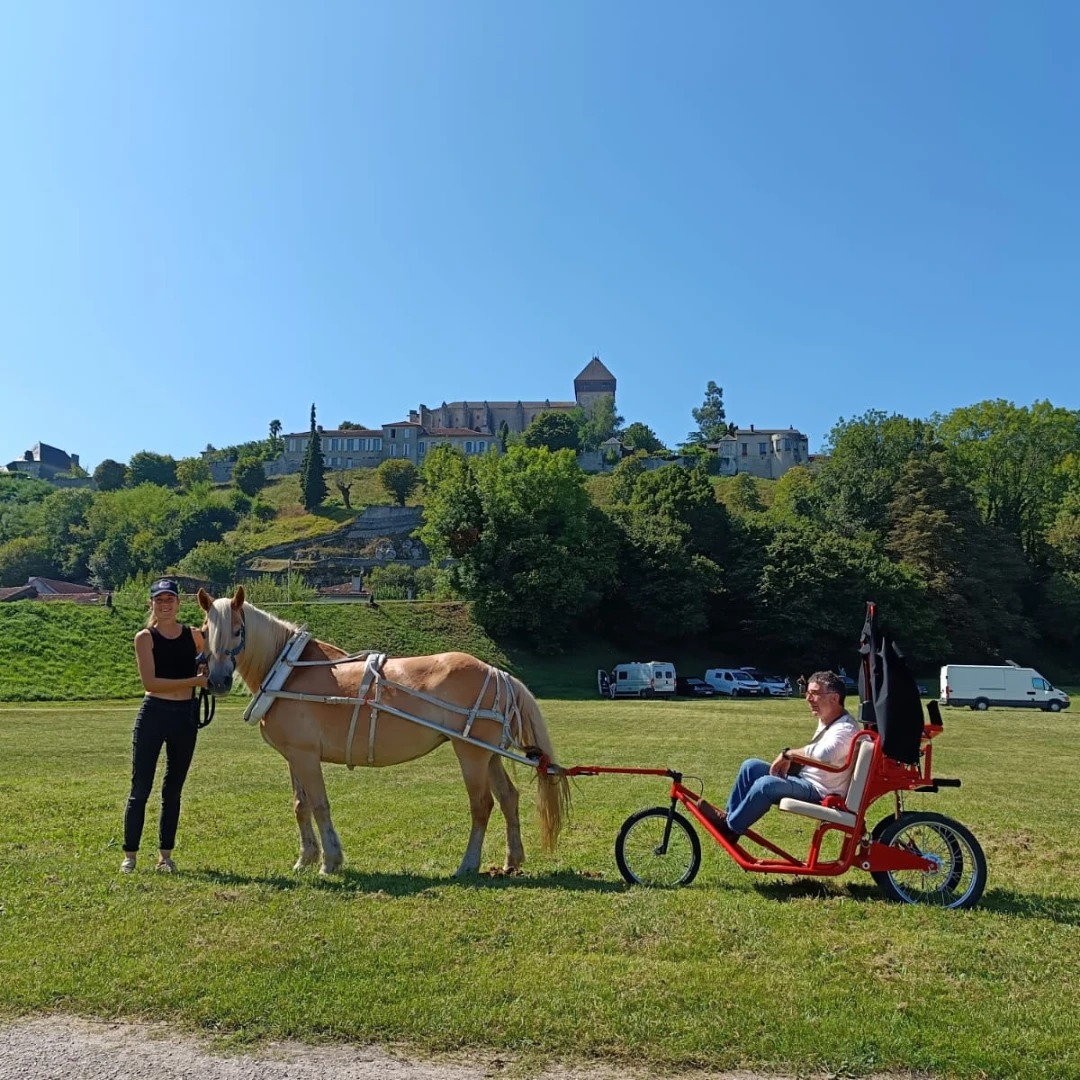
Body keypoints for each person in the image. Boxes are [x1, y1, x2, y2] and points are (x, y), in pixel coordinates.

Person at [120, 578, 208, 874]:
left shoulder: (195, 635)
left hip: (185, 715)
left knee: (173, 790)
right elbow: (150, 682)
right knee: (140, 788)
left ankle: (165, 857)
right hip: (154, 713)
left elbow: (211, 658)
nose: (165, 604)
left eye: (170, 599)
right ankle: (130, 856)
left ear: (178, 603)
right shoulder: (144, 637)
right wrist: (195, 681)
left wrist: (204, 668)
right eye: (159, 600)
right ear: (152, 604)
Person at [716, 670, 859, 839]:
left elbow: (823, 755)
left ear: (834, 698)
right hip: (806, 780)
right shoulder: (828, 719)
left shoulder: (845, 730)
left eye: (814, 693)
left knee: (766, 785)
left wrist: (788, 754)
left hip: (820, 791)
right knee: (750, 766)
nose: (807, 698)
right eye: (808, 693)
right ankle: (729, 818)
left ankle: (730, 828)